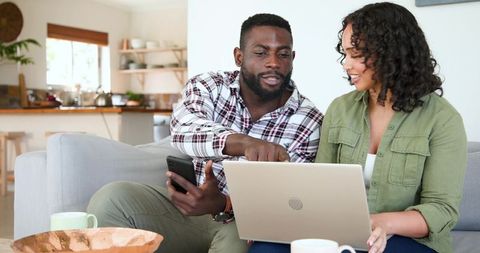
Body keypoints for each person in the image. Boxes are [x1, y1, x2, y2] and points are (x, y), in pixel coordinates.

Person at [87, 13, 323, 253]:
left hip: (244, 226)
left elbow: (292, 205)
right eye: (261, 52)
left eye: (283, 54)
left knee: (238, 243)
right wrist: (244, 143)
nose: (273, 62)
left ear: (292, 59)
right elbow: (183, 129)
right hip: (187, 212)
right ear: (239, 57)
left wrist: (224, 203)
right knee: (113, 199)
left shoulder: (309, 120)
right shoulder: (209, 86)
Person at [249, 2, 467, 253]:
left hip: (409, 242)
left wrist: (379, 223)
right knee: (266, 248)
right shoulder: (340, 109)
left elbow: (440, 210)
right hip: (343, 234)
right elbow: (321, 188)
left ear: (391, 53)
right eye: (345, 54)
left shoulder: (442, 119)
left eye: (356, 54)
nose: (346, 64)